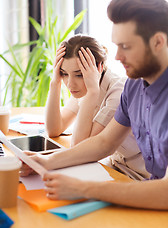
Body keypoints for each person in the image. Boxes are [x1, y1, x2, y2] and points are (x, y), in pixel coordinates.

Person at [21, 0, 168, 210]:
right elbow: (104, 143)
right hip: (139, 189)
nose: (117, 56)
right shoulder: (134, 87)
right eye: (117, 45)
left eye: (126, 46)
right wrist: (45, 162)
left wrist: (84, 188)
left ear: (158, 42)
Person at [45, 34, 149, 180]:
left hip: (140, 172)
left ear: (99, 67)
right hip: (115, 165)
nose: (70, 84)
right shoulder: (82, 88)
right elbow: (54, 129)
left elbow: (79, 149)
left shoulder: (118, 92)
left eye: (79, 74)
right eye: (64, 73)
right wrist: (55, 83)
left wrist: (93, 91)